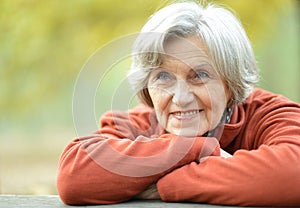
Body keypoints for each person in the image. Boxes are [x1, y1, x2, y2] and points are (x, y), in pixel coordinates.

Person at [56, 1, 300, 206]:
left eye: (200, 76)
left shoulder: (270, 114)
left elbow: (293, 174)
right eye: (163, 77)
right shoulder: (137, 123)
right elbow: (73, 177)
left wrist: (165, 185)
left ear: (230, 82)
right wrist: (202, 149)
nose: (181, 98)